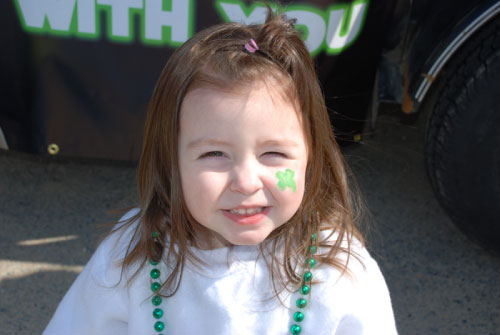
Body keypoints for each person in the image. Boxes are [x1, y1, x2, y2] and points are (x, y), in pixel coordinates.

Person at [44, 8, 398, 335]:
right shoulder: (130, 256)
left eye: (273, 153)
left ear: (310, 156)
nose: (245, 182)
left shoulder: (339, 270)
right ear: (171, 161)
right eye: (214, 154)